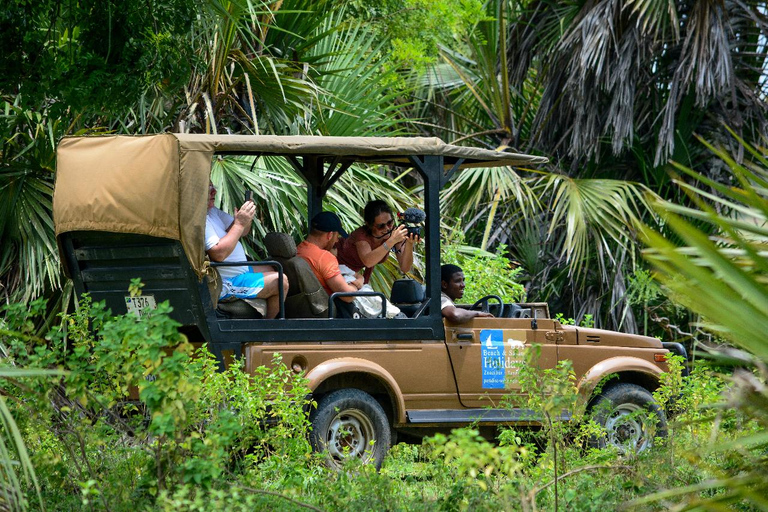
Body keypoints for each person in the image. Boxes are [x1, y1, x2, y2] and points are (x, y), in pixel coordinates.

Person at [205, 182, 288, 319]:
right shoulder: (200, 219)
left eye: (213, 186)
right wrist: (239, 223)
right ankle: (266, 333)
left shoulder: (212, 212)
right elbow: (218, 254)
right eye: (208, 188)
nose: (214, 191)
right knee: (280, 281)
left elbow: (242, 231)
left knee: (271, 267)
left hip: (237, 270)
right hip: (224, 281)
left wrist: (246, 218)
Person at [335, 200, 420, 284]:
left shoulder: (394, 234)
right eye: (381, 226)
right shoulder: (361, 236)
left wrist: (409, 243)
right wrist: (391, 241)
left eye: (390, 223)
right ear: (369, 225)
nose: (387, 228)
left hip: (349, 273)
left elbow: (405, 268)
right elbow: (368, 261)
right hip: (334, 263)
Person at [297, 211, 363, 303]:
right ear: (330, 235)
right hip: (327, 310)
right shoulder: (324, 257)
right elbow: (347, 296)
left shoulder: (298, 250)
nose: (336, 241)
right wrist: (355, 285)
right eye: (337, 236)